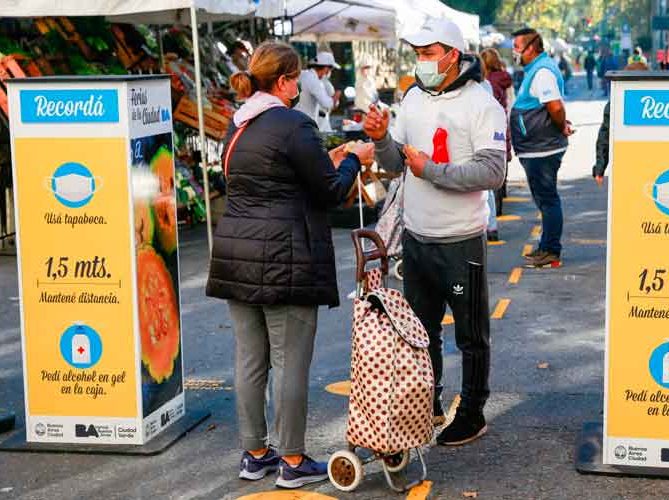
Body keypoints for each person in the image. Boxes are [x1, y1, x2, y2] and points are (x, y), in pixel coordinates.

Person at [206, 42, 374, 488]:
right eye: (296, 78)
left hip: (236, 257)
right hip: (284, 258)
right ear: (283, 81)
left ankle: (255, 453)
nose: (299, 85)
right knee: (290, 362)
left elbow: (269, 179)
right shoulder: (294, 123)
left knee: (250, 360)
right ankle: (294, 460)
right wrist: (355, 159)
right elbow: (330, 192)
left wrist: (330, 161)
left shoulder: (238, 124)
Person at [363, 18, 507, 446]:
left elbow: (493, 171)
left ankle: (473, 412)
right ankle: (429, 402)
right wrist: (382, 137)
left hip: (462, 240)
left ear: (453, 55)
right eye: (418, 53)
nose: (421, 60)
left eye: (428, 53)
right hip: (417, 236)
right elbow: (394, 162)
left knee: (472, 335)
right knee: (419, 332)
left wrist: (433, 171)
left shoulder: (482, 104)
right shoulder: (413, 98)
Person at [510, 27, 573, 268]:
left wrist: (559, 126)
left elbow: (555, 107)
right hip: (538, 147)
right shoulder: (535, 70)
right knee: (544, 200)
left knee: (548, 200)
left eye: (517, 47)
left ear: (531, 48)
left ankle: (551, 250)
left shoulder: (542, 72)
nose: (515, 52)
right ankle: (546, 246)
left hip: (542, 148)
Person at [593, 62, 649, 186]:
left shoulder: (618, 100)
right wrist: (599, 168)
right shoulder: (618, 102)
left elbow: (604, 136)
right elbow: (606, 135)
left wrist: (599, 168)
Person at [481, 47, 514, 238]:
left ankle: (490, 224)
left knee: (483, 186)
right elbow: (511, 102)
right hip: (500, 126)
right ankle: (493, 223)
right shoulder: (504, 79)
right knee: (496, 174)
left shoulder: (483, 85)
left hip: (484, 133)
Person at [295, 51, 341, 132]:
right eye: (331, 69)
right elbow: (328, 104)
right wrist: (337, 95)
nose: (330, 72)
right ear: (326, 68)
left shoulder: (304, 75)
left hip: (297, 121)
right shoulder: (314, 80)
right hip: (306, 125)